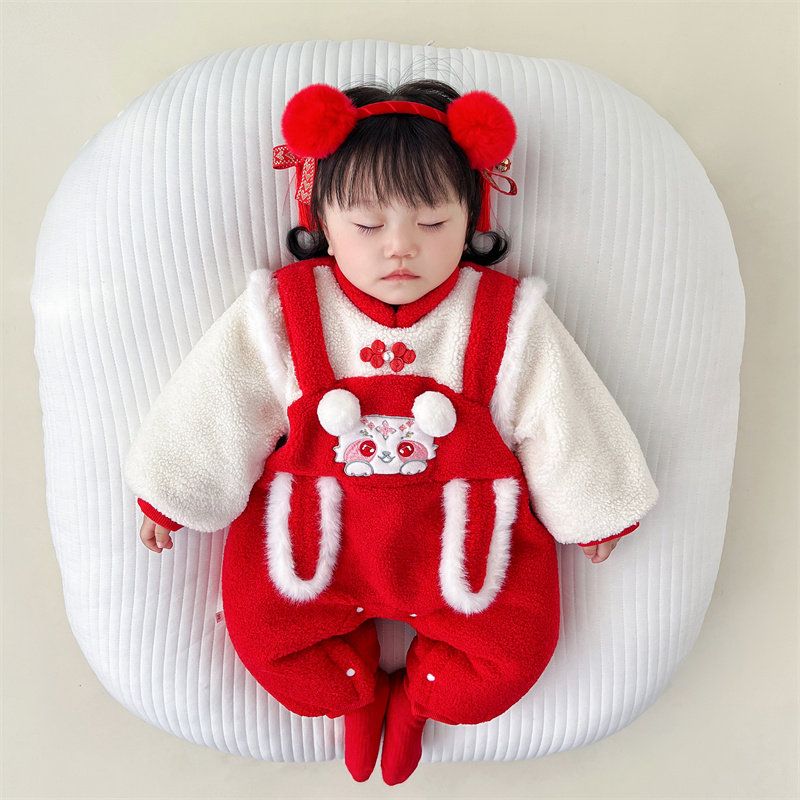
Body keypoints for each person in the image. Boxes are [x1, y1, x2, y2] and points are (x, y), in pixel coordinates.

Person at [126, 79, 658, 785]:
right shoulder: (288, 310)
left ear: (473, 217)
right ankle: (354, 691)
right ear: (319, 218)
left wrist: (593, 505)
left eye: (433, 223)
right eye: (368, 226)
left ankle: (420, 698)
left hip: (462, 544)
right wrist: (175, 489)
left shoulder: (503, 318)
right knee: (267, 636)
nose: (401, 247)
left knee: (512, 655)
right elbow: (221, 399)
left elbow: (560, 410)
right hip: (316, 538)